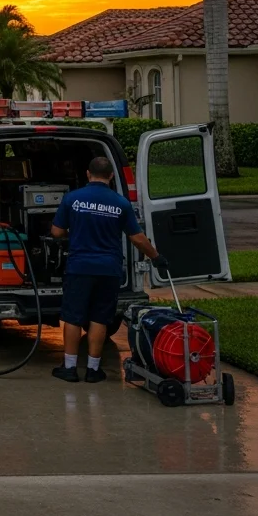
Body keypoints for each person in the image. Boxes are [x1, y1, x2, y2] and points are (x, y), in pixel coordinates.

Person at [50, 155, 167, 383]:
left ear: (87, 173)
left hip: (80, 267)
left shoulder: (73, 199)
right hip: (109, 269)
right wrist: (156, 257)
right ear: (111, 176)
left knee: (73, 318)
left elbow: (56, 232)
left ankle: (70, 368)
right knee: (100, 318)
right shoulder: (120, 203)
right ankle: (94, 370)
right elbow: (137, 238)